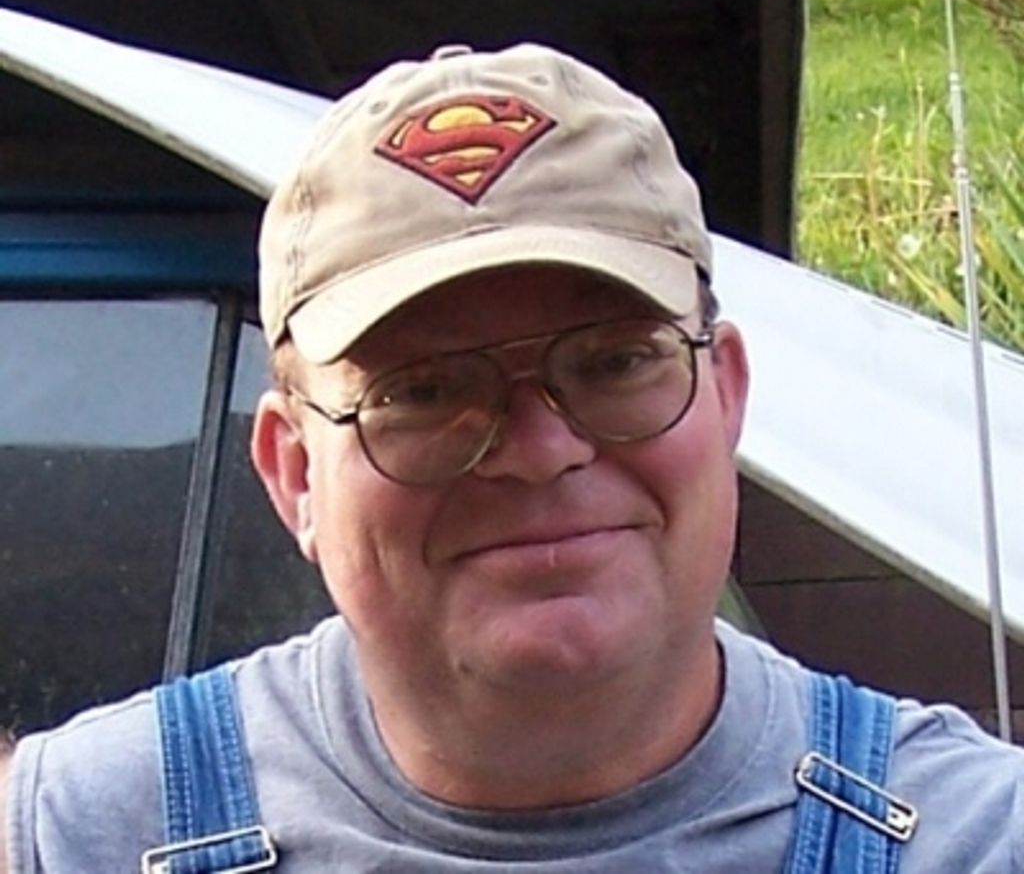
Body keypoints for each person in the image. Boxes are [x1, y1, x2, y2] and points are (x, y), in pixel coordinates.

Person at [1, 42, 1022, 874]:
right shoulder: (80, 839)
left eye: (615, 361)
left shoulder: (975, 839)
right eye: (424, 391)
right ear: (294, 471)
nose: (539, 450)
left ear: (725, 394)